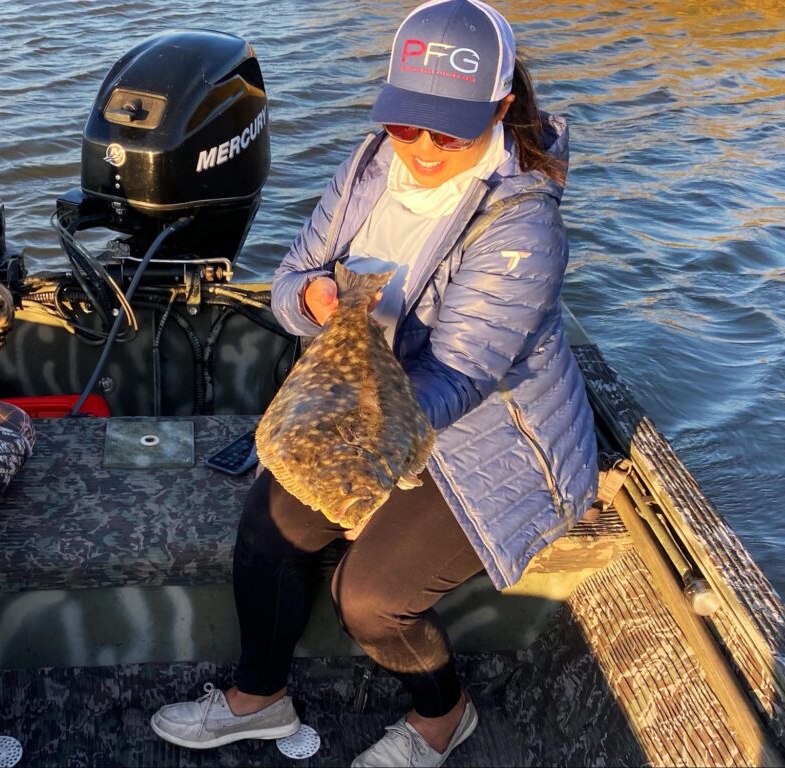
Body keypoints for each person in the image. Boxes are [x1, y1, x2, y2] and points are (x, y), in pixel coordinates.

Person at [150, 0, 599, 764]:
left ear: (499, 107)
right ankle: (259, 699)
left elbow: (462, 374)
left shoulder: (521, 224)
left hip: (486, 442)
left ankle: (443, 717)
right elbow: (292, 277)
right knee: (268, 526)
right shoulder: (368, 165)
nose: (421, 148)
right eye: (405, 122)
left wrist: (363, 458)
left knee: (370, 599)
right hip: (366, 408)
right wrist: (311, 302)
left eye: (449, 131)